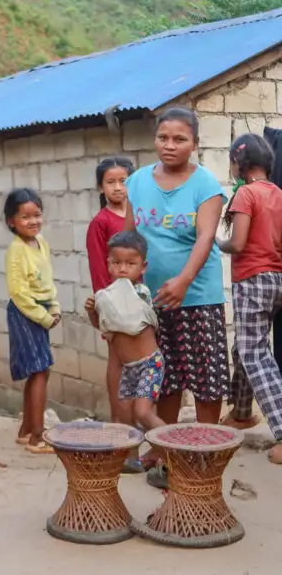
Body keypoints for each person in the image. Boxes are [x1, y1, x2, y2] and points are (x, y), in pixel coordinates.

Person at [123, 106, 227, 489]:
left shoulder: (206, 185)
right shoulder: (136, 182)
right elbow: (129, 240)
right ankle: (166, 453)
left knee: (206, 377)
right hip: (153, 300)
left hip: (198, 297)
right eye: (163, 137)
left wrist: (183, 281)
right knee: (164, 378)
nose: (169, 145)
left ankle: (204, 455)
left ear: (195, 144)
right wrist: (126, 293)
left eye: (180, 139)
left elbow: (205, 238)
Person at [217, 133, 282, 465]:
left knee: (254, 352)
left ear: (238, 163)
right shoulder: (278, 194)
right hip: (276, 278)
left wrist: (217, 243)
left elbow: (238, 243)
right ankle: (242, 412)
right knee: (244, 346)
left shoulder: (246, 194)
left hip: (252, 279)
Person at [84, 232, 166, 435]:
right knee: (125, 417)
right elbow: (104, 327)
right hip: (129, 368)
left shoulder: (141, 293)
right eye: (117, 263)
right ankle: (132, 462)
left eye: (130, 264)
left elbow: (127, 321)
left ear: (142, 267)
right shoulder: (107, 296)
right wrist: (92, 312)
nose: (122, 269)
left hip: (149, 364)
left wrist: (104, 301)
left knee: (143, 413)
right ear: (109, 264)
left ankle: (177, 449)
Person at [3, 187, 59, 453]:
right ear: (11, 222)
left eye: (37, 215)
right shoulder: (16, 250)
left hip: (42, 310)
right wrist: (44, 317)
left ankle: (26, 429)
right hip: (26, 313)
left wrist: (54, 307)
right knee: (39, 370)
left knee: (41, 370)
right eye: (25, 217)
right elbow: (19, 293)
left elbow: (47, 280)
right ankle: (38, 436)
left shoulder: (41, 243)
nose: (33, 221)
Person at [85, 158, 137, 432]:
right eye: (111, 182)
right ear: (100, 187)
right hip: (116, 304)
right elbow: (98, 270)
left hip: (140, 302)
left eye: (124, 181)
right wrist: (106, 313)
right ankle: (119, 420)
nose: (118, 188)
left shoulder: (138, 215)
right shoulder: (100, 223)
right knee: (118, 358)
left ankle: (137, 417)